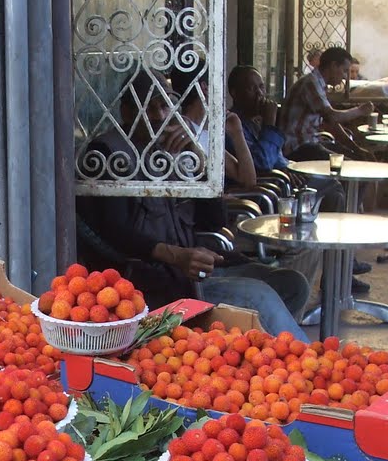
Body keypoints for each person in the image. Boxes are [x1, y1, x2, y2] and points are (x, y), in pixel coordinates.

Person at [75, 69, 310, 340]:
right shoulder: (107, 154)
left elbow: (214, 221)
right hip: (156, 282)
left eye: (164, 106)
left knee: (294, 284)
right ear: (126, 113)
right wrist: (175, 255)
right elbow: (114, 231)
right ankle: (299, 363)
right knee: (261, 295)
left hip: (196, 268)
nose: (160, 117)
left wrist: (198, 159)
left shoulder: (172, 147)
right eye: (148, 108)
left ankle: (258, 354)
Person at [226, 65, 371, 295]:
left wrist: (285, 167)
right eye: (252, 89)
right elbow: (261, 163)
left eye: (261, 87)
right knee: (332, 192)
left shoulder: (254, 121)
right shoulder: (234, 125)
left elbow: (276, 157)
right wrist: (271, 124)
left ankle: (340, 272)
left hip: (281, 180)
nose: (260, 95)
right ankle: (335, 275)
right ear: (234, 92)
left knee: (334, 185)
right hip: (267, 194)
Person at [281, 46, 375, 162]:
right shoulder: (310, 83)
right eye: (344, 71)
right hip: (296, 146)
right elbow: (332, 116)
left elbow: (331, 123)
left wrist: (356, 149)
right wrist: (360, 110)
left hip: (310, 143)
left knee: (356, 158)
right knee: (348, 165)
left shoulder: (318, 84)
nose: (345, 76)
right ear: (333, 65)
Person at [171, 68, 256, 189]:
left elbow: (248, 180)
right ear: (205, 88)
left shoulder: (205, 134)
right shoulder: (179, 130)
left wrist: (237, 133)